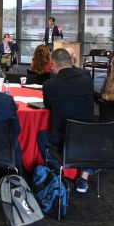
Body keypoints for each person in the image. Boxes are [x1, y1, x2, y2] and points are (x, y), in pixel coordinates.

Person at [37, 48, 95, 194]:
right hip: (89, 138)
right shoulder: (87, 79)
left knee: (41, 137)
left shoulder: (50, 84)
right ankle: (83, 177)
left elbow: (48, 106)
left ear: (54, 64)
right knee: (89, 139)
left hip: (62, 138)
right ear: (71, 61)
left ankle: (58, 173)